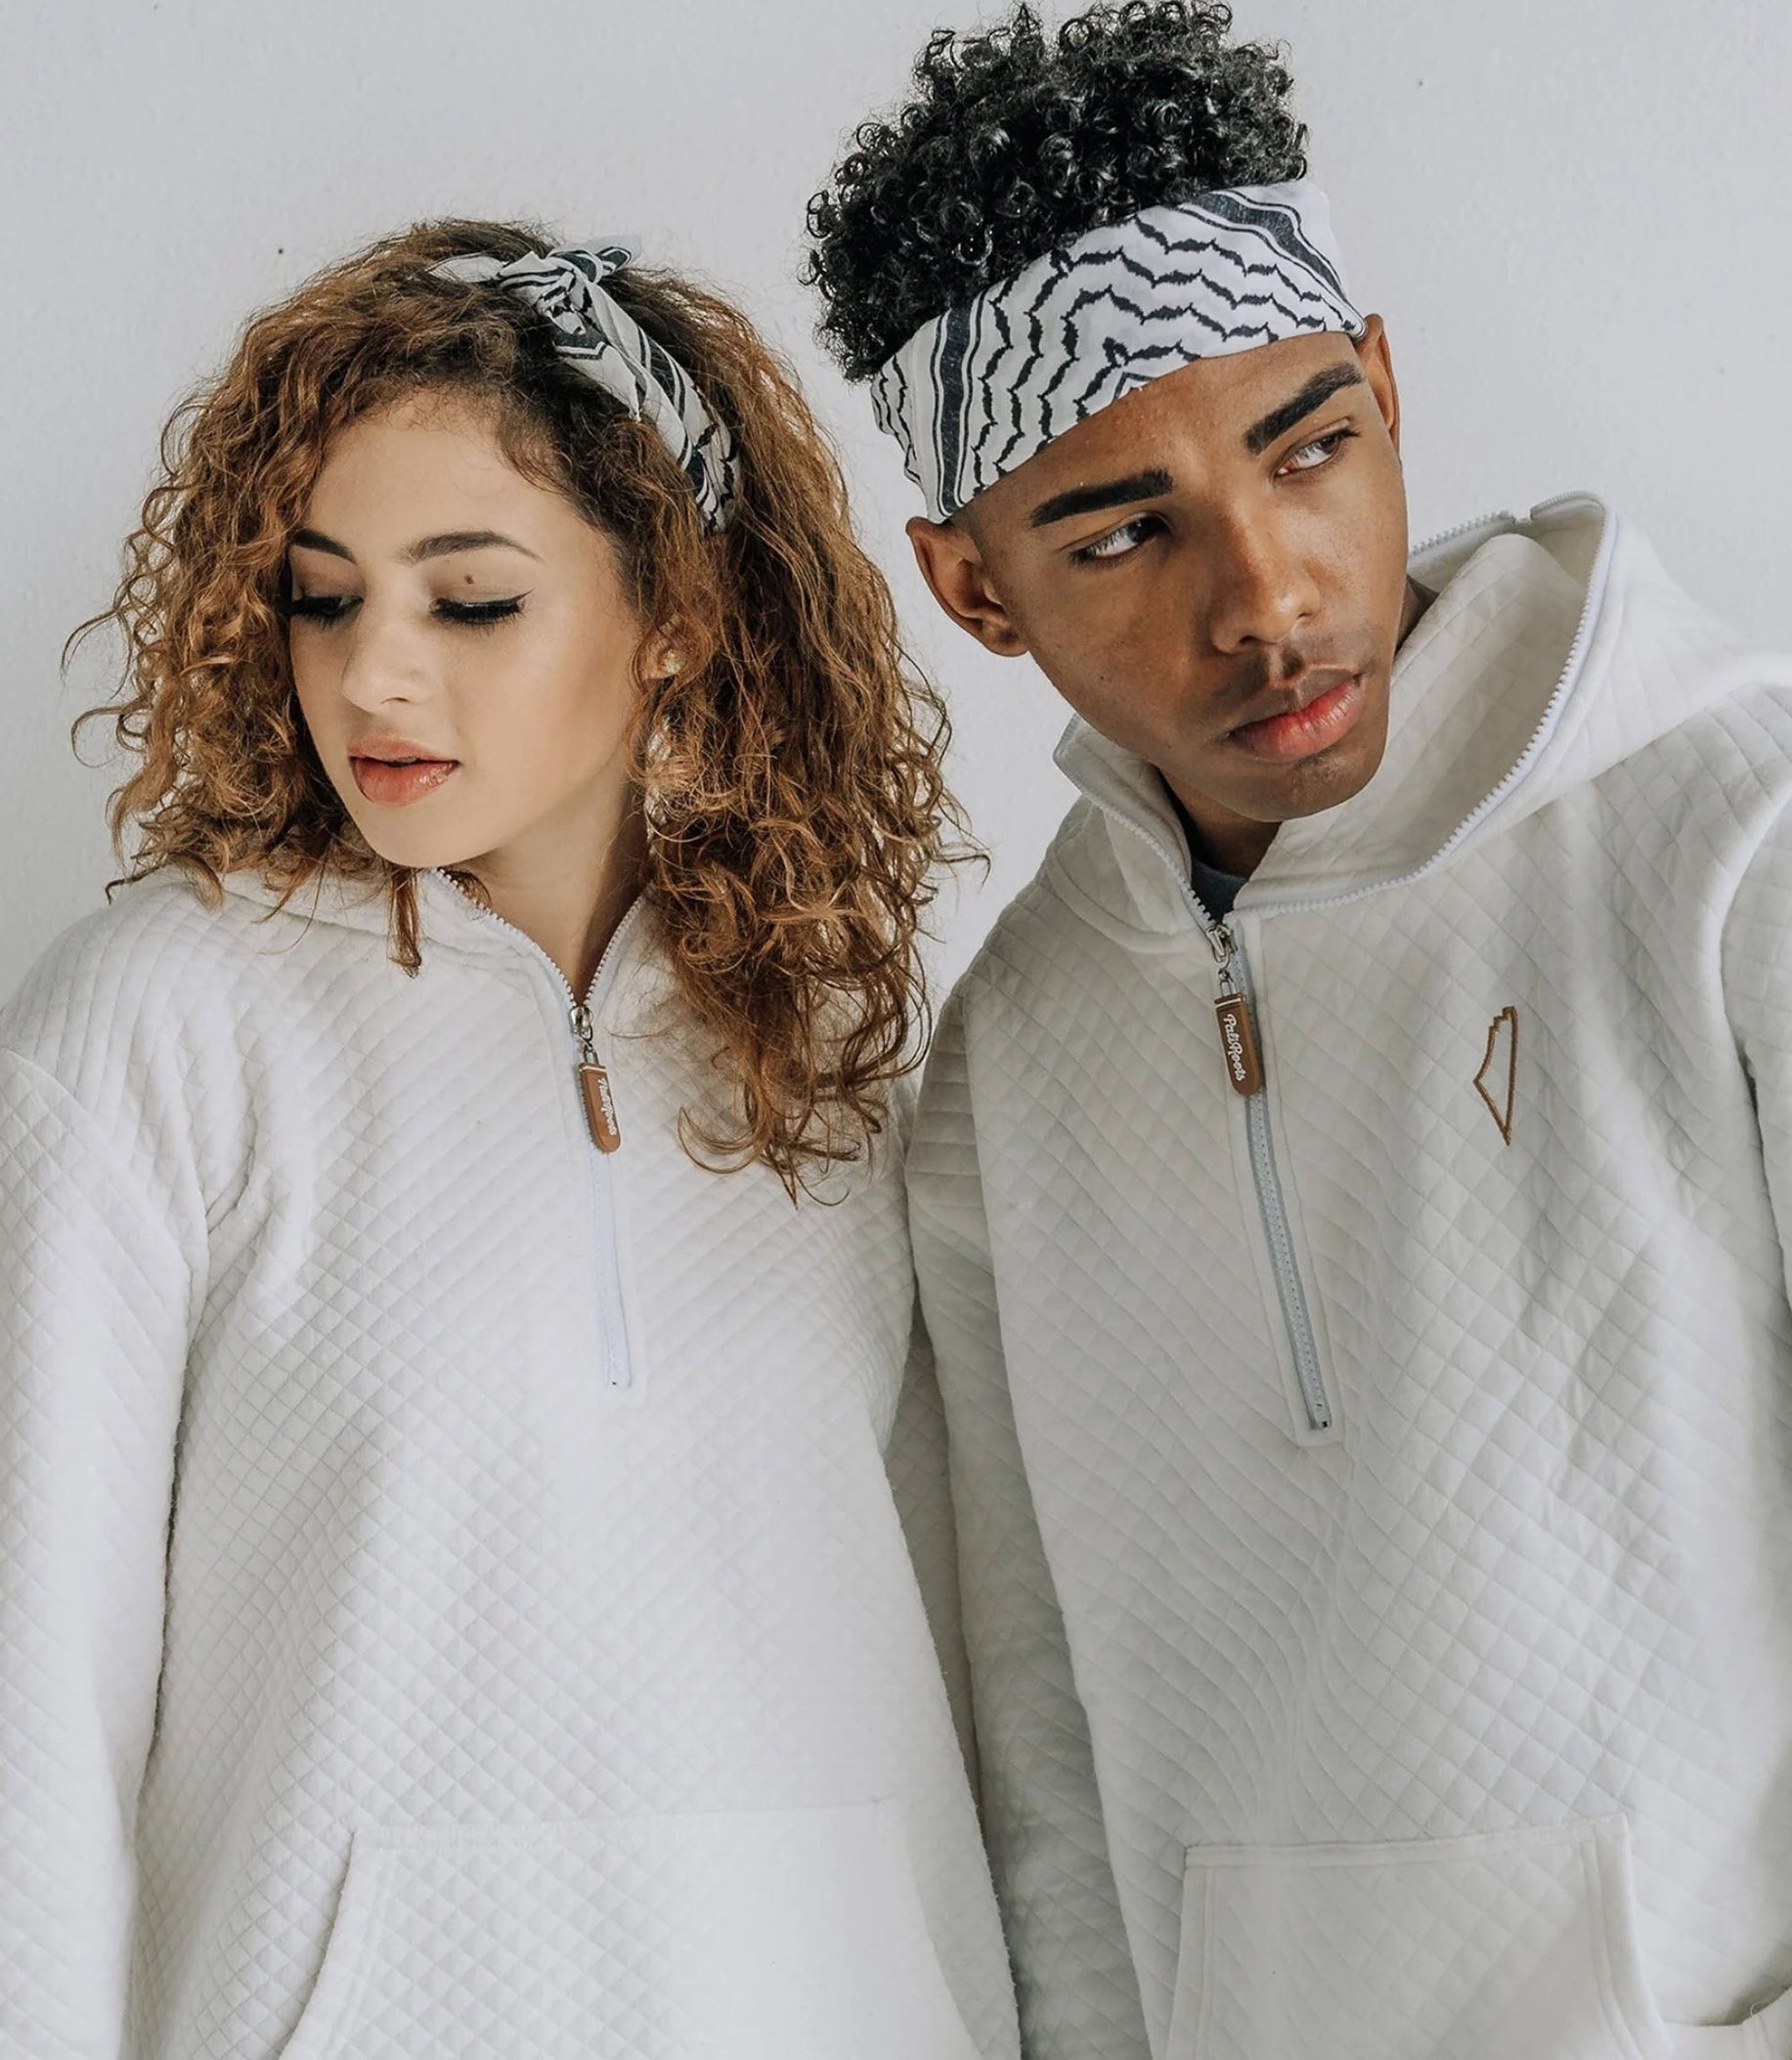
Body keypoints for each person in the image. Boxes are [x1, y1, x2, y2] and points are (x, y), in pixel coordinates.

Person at [807, 6, 1792, 2057]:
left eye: (1307, 447)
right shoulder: (1008, 1064)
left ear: (1386, 389)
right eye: (1120, 532)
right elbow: (1044, 1757)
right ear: (970, 588)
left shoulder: (1731, 840)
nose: (1263, 593)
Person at [0, 220, 1019, 2060]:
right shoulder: (160, 1022)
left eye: (468, 602)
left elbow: (975, 1651)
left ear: (676, 615)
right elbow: (28, 1707)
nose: (372, 675)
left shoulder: (841, 1049)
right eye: (322, 598)